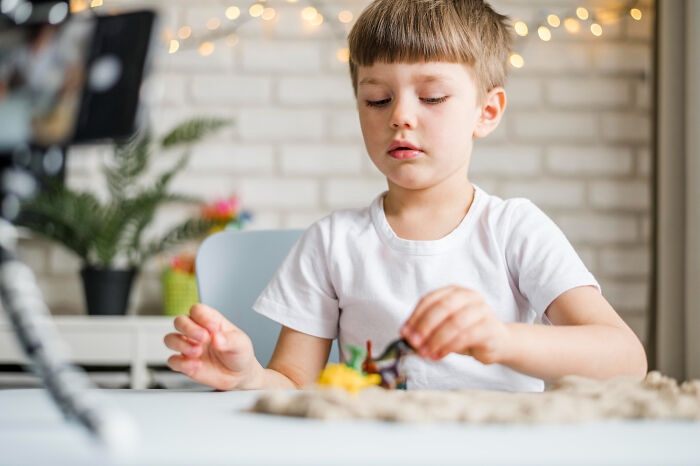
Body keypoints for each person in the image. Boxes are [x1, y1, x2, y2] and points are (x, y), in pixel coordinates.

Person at [164, 0, 647, 392]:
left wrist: (500, 339)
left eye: (432, 96)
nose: (400, 116)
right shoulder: (333, 242)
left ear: (487, 111)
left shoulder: (515, 229)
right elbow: (292, 383)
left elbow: (626, 361)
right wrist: (247, 377)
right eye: (378, 98)